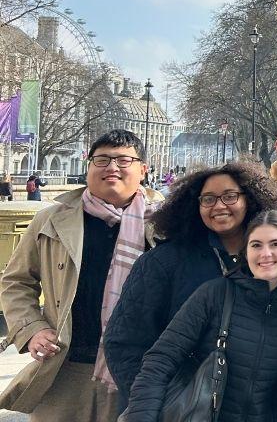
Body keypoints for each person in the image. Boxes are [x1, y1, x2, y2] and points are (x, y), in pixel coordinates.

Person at [0, 130, 162, 422]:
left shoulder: (169, 224)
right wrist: (32, 328)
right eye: (102, 159)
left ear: (143, 169)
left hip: (138, 371)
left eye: (123, 160)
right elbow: (16, 281)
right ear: (88, 167)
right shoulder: (50, 219)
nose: (112, 167)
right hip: (65, 369)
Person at [103, 162, 277, 402]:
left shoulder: (274, 262)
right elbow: (123, 343)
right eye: (208, 199)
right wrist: (159, 405)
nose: (219, 206)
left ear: (251, 199)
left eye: (229, 196)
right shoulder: (163, 262)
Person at [122, 210, 277, 422]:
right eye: (256, 245)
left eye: (276, 244)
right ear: (245, 251)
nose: (265, 254)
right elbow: (161, 360)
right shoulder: (216, 294)